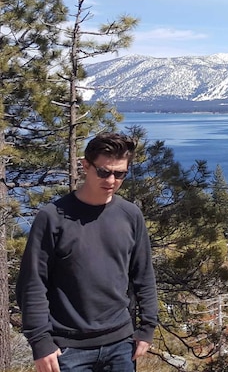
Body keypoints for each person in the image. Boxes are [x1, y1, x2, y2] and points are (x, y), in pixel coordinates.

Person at [17, 132, 158, 372]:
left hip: (121, 345)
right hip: (68, 350)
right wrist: (40, 342)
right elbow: (32, 284)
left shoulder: (130, 215)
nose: (111, 180)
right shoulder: (52, 218)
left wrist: (147, 328)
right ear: (85, 166)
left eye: (120, 173)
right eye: (104, 172)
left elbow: (143, 274)